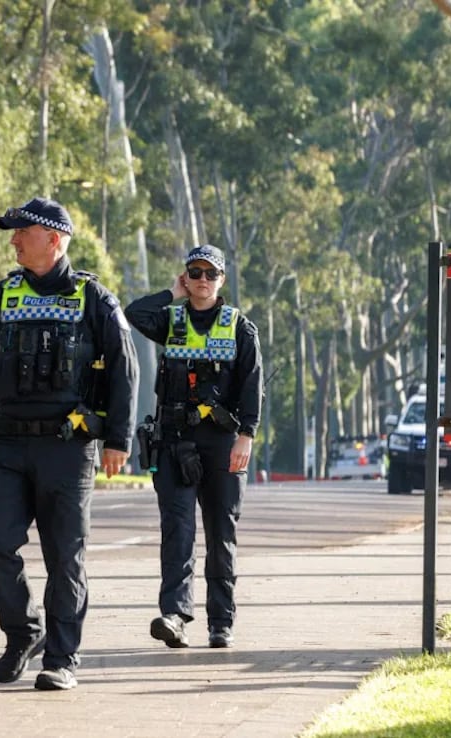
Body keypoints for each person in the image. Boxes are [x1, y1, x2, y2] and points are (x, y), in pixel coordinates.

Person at [0, 196, 138, 691]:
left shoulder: (95, 299)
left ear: (54, 238)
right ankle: (24, 630)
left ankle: (62, 658)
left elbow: (125, 371)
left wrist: (118, 438)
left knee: (65, 556)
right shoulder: (0, 297)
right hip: (7, 446)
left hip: (69, 448)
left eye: (22, 232)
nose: (13, 240)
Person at [124, 244, 262, 649]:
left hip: (222, 444)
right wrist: (172, 294)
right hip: (175, 441)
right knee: (178, 530)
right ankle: (175, 615)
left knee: (221, 533)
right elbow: (134, 313)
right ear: (186, 276)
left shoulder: (240, 327)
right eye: (194, 272)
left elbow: (254, 386)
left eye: (209, 274)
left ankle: (221, 621)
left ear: (222, 280)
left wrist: (247, 436)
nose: (202, 280)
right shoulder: (170, 320)